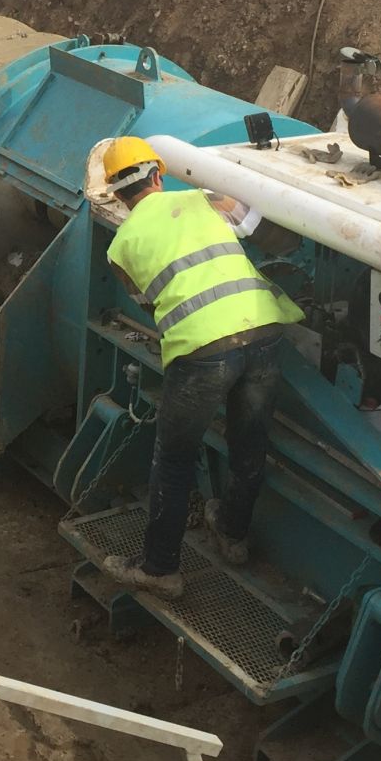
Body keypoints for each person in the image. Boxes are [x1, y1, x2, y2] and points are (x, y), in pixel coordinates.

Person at [95, 135, 303, 599]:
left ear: (116, 194)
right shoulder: (207, 199)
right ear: (158, 175)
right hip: (265, 329)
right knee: (250, 442)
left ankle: (160, 568)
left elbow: (150, 303)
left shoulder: (119, 247)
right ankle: (231, 533)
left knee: (173, 458)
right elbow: (271, 232)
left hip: (203, 351)